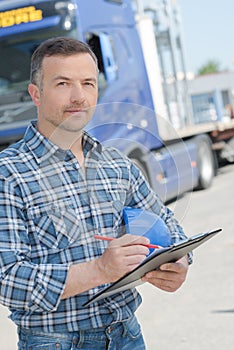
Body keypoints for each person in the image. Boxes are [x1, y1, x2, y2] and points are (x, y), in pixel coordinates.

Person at [0, 37, 191, 350]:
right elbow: (7, 279)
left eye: (88, 83)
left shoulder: (117, 164)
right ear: (36, 93)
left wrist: (178, 261)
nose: (79, 96)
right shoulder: (8, 173)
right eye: (63, 83)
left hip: (127, 336)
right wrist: (99, 270)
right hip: (56, 343)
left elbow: (168, 226)